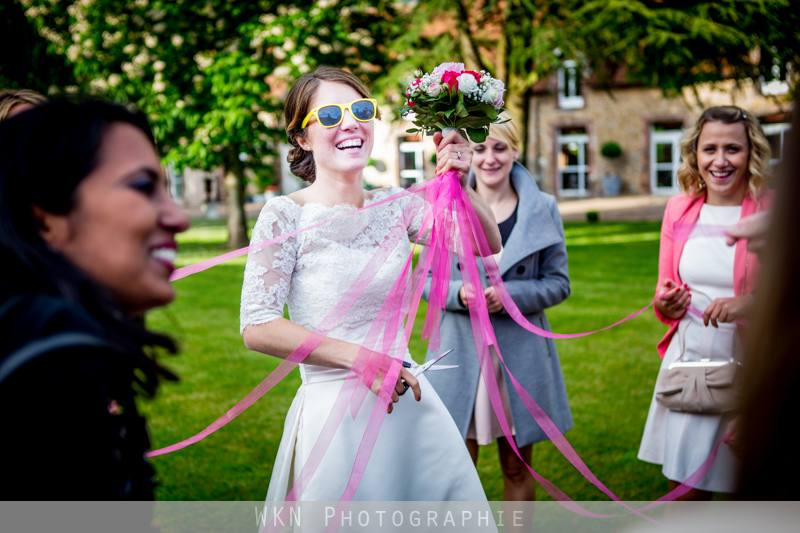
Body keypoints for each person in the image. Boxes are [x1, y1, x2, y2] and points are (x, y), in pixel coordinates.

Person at [239, 66, 501, 501]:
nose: (349, 123)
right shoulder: (284, 215)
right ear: (301, 137)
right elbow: (258, 324)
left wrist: (460, 179)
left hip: (410, 409)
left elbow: (483, 244)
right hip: (335, 420)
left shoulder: (397, 206)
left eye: (360, 109)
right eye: (328, 115)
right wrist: (362, 359)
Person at [0, 99, 190, 500]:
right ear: (44, 218)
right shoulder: (51, 348)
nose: (178, 218)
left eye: (166, 189)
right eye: (142, 187)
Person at [421, 113, 573, 502]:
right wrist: (458, 294)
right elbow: (422, 281)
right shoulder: (444, 204)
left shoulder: (544, 208)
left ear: (515, 151)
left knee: (517, 466)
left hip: (517, 354)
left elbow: (558, 284)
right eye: (479, 148)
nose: (489, 158)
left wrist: (511, 296)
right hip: (459, 352)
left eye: (500, 148)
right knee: (458, 468)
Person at [638, 106, 772, 503]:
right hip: (690, 364)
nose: (720, 160)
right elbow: (664, 296)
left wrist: (749, 303)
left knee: (750, 494)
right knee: (683, 495)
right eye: (709, 148)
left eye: (733, 148)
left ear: (752, 153)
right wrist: (671, 303)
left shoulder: (774, 209)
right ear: (695, 152)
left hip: (753, 364)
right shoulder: (679, 208)